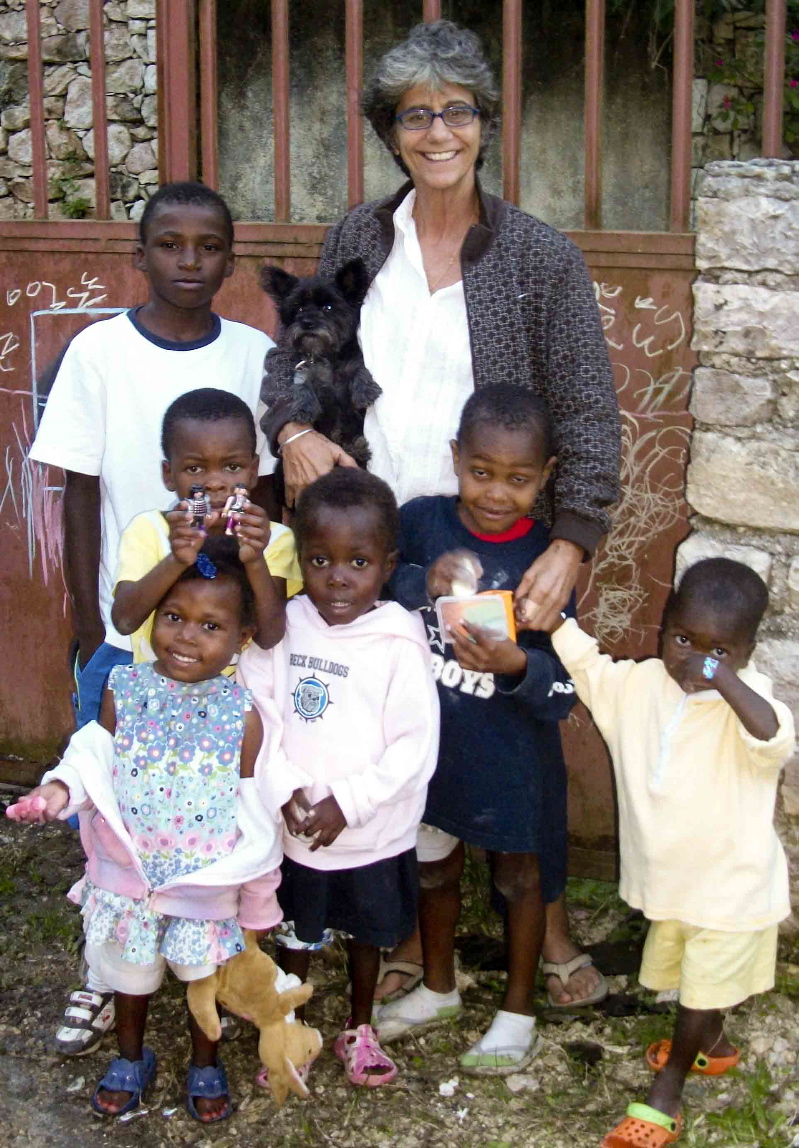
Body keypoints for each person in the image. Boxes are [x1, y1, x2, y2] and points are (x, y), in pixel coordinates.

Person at [261, 19, 619, 1008]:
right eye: (414, 114)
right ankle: (419, 939)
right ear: (389, 130)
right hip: (378, 537)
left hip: (496, 532)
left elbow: (587, 407)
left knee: (511, 724)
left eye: (455, 110)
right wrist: (293, 428)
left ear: (484, 122)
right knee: (399, 714)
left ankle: (542, 924)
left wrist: (573, 539)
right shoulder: (356, 237)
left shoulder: (538, 257)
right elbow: (302, 355)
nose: (436, 131)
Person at [28, 181, 275, 1055]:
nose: (188, 262)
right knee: (108, 807)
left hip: (221, 636)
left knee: (220, 802)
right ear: (140, 257)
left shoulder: (253, 354)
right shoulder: (98, 353)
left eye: (207, 247)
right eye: (168, 245)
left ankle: (222, 966)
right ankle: (107, 972)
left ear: (229, 261)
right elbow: (78, 489)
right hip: (131, 625)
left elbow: (269, 494)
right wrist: (88, 620)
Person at [8, 540, 284, 1123]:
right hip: (128, 884)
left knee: (200, 982)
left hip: (201, 893)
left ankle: (204, 1060)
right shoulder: (123, 690)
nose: (186, 636)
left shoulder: (245, 714)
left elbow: (255, 817)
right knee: (130, 981)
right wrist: (57, 790)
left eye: (210, 626)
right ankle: (131, 1056)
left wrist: (259, 906)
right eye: (175, 617)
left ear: (240, 640)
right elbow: (91, 760)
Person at [543, 558, 795, 1147]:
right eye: (682, 640)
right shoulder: (640, 687)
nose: (695, 660)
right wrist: (553, 620)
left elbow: (774, 738)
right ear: (663, 625)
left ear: (748, 651)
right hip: (675, 888)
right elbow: (588, 668)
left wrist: (727, 681)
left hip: (732, 890)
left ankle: (667, 1093)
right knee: (696, 980)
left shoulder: (747, 704)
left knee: (699, 990)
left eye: (719, 651)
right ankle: (713, 1046)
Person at [376, 386, 576, 1073]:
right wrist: (417, 581)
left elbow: (562, 687)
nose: (496, 493)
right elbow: (366, 582)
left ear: (545, 476)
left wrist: (516, 660)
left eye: (519, 480)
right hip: (430, 750)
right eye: (480, 472)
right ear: (454, 458)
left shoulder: (545, 563)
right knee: (432, 871)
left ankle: (517, 1012)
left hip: (509, 759)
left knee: (518, 881)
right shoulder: (421, 523)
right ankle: (438, 987)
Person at [237, 468, 440, 1087]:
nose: (338, 577)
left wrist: (347, 804)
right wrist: (286, 790)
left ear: (388, 565)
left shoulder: (400, 641)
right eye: (320, 559)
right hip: (296, 826)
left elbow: (415, 746)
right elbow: (261, 711)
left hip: (372, 835)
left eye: (358, 561)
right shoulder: (285, 626)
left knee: (364, 937)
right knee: (297, 931)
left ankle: (360, 1025)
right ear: (299, 558)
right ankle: (288, 1026)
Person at [112, 389, 302, 666]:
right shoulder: (148, 531)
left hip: (236, 700)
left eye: (232, 466)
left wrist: (255, 560)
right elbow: (124, 621)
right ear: (169, 475)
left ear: (252, 472)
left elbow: (269, 636)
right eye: (195, 469)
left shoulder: (272, 540)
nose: (214, 483)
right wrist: (176, 559)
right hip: (161, 698)